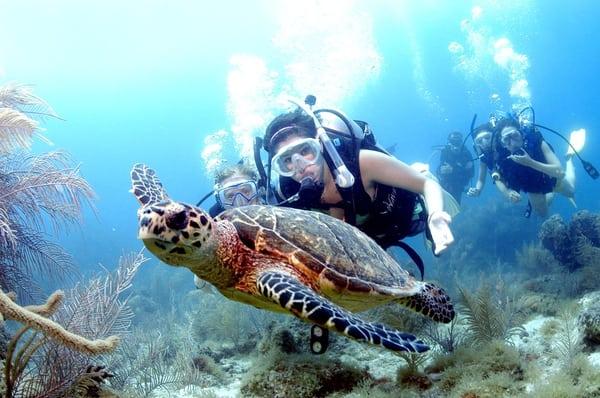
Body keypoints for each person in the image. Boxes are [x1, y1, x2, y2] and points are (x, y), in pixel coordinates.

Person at [262, 106, 454, 258]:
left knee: (424, 183)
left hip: (407, 214)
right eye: (287, 161)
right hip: (372, 237)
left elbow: (427, 186)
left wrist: (436, 214)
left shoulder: (361, 163)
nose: (300, 166)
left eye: (305, 150)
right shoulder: (288, 195)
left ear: (319, 144)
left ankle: (418, 170)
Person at [436, 131, 474, 204]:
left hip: (458, 187)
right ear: (449, 142)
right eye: (453, 141)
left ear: (461, 142)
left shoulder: (466, 153)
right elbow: (438, 170)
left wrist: (453, 170)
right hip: (443, 184)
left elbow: (471, 173)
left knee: (453, 208)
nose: (455, 144)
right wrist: (441, 170)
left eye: (458, 141)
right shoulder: (445, 152)